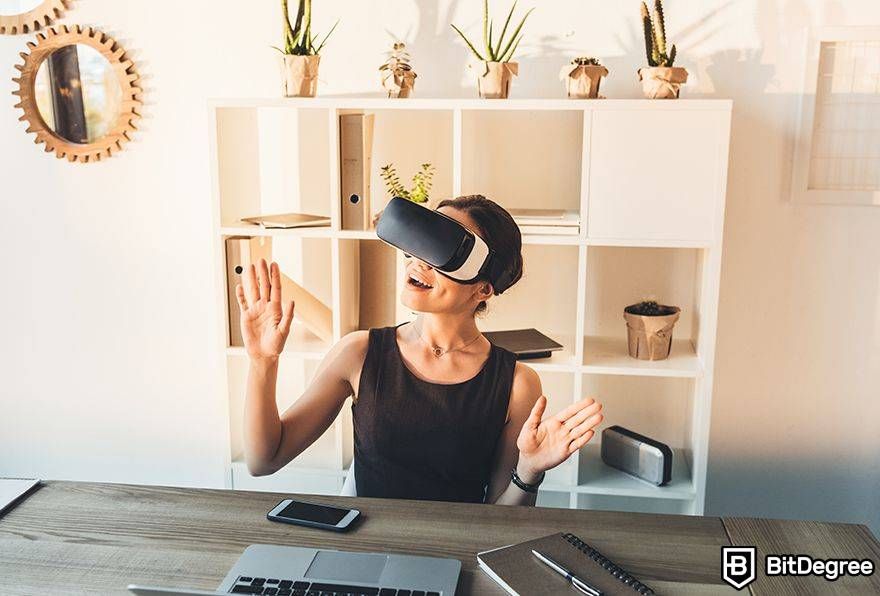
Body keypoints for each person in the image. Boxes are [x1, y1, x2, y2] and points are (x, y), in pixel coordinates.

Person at [237, 194, 603, 505]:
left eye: (442, 250)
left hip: (454, 559)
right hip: (366, 552)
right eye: (420, 242)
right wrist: (263, 362)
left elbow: (502, 519)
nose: (418, 261)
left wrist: (529, 470)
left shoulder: (517, 384)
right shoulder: (358, 353)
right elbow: (264, 460)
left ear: (483, 288)